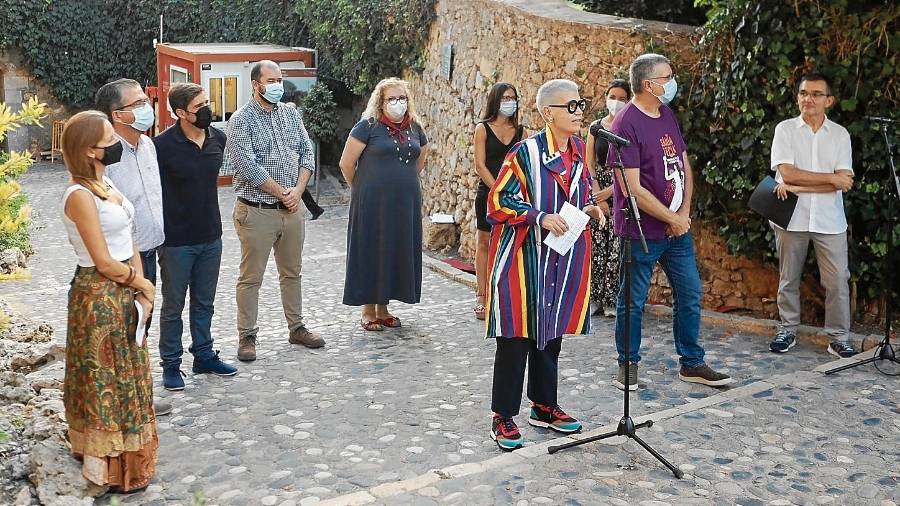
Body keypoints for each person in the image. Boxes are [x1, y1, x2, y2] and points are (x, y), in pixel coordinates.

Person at [486, 79, 605, 451]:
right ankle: (502, 416)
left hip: (561, 259)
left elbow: (581, 194)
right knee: (516, 336)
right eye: (571, 106)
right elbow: (498, 203)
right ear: (548, 113)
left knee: (550, 336)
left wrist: (592, 208)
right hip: (523, 258)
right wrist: (539, 217)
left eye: (581, 104)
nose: (579, 111)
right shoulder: (525, 153)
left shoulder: (578, 152)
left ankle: (544, 405)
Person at [609, 53, 732, 391]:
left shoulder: (666, 114)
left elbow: (683, 165)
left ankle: (691, 362)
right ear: (649, 84)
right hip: (642, 232)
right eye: (668, 77)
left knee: (690, 292)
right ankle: (628, 364)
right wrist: (671, 218)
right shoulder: (625, 124)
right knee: (632, 300)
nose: (672, 81)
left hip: (676, 230)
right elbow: (631, 188)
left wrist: (683, 214)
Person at [60, 110, 158, 491]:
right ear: (89, 151)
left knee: (131, 372)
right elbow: (102, 260)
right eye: (107, 141)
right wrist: (141, 283)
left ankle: (133, 462)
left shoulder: (107, 184)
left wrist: (141, 285)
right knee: (105, 378)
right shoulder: (79, 195)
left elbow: (129, 238)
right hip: (98, 295)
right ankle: (109, 469)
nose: (115, 144)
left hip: (125, 289)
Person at [227, 60, 325, 362]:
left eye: (280, 79)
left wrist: (297, 191)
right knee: (251, 276)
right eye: (271, 80)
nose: (277, 85)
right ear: (256, 84)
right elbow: (248, 166)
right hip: (257, 211)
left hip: (291, 210)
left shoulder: (291, 113)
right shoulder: (241, 120)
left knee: (292, 272)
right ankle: (247, 336)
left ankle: (296, 328)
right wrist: (282, 192)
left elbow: (306, 152)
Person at [95, 78, 172, 416]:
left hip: (152, 248)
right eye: (138, 103)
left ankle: (137, 390)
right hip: (123, 258)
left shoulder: (148, 145)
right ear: (117, 115)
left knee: (143, 322)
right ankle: (123, 396)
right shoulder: (106, 155)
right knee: (123, 326)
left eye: (146, 100)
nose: (147, 107)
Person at [153, 83, 238, 390]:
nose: (207, 110)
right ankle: (171, 365)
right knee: (173, 305)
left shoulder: (218, 137)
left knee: (205, 302)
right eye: (198, 106)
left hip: (211, 234)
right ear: (179, 113)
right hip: (176, 240)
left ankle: (203, 355)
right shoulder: (161, 146)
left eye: (207, 103)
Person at [769, 73, 856, 358]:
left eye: (816, 94)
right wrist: (830, 181)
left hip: (830, 220)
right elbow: (788, 172)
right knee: (788, 277)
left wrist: (794, 185)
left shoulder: (840, 135)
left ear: (829, 101)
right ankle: (787, 330)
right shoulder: (785, 130)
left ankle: (839, 337)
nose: (809, 99)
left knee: (837, 281)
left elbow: (845, 180)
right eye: (804, 93)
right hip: (791, 216)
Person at [339, 78, 429, 330]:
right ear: (381, 102)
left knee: (394, 249)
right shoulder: (367, 127)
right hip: (371, 202)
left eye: (402, 98)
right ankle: (368, 310)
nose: (398, 103)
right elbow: (346, 164)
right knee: (371, 248)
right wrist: (362, 188)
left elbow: (420, 158)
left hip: (404, 202)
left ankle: (384, 308)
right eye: (392, 98)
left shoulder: (415, 128)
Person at [472, 83, 524, 321]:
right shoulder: (483, 129)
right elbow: (479, 165)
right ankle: (481, 296)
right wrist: (497, 190)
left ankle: (505, 294)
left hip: (514, 197)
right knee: (484, 242)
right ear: (495, 100)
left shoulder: (521, 131)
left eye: (513, 98)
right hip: (489, 192)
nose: (509, 101)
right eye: (504, 97)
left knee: (511, 243)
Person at [585, 79, 631, 317]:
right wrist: (596, 193)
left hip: (621, 189)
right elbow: (588, 162)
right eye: (612, 96)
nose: (616, 102)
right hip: (598, 190)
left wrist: (612, 191)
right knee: (597, 246)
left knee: (616, 248)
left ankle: (613, 299)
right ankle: (595, 298)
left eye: (622, 98)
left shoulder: (630, 127)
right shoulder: (596, 128)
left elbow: (634, 167)